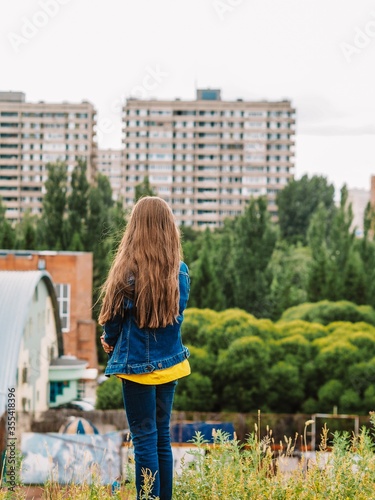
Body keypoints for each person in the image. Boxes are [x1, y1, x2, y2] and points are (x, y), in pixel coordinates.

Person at [98, 196, 191, 500]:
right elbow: (175, 317)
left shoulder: (127, 271)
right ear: (168, 228)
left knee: (144, 440)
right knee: (161, 438)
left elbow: (112, 318)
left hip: (137, 369)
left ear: (135, 227)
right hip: (170, 366)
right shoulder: (181, 271)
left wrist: (110, 341)